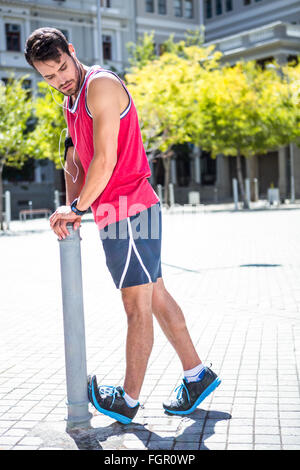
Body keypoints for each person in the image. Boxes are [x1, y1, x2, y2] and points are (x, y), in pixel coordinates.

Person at [24, 28, 221, 425]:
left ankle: (128, 400)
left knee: (136, 306)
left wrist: (77, 208)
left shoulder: (99, 86)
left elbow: (106, 162)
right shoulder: (72, 99)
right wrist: (71, 207)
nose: (60, 79)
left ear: (72, 52)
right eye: (48, 76)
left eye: (62, 67)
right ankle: (197, 374)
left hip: (130, 208)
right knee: (156, 296)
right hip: (117, 212)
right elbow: (77, 162)